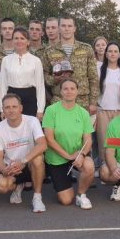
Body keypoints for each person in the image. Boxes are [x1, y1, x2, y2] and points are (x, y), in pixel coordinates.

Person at [42, 79, 96, 209]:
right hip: (57, 157)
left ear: (77, 91)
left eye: (72, 88)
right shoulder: (51, 110)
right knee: (66, 200)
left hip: (77, 155)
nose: (69, 91)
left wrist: (82, 154)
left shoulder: (83, 113)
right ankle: (62, 183)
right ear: (60, 92)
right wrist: (68, 156)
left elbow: (88, 139)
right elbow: (49, 139)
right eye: (65, 88)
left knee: (89, 166)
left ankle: (81, 195)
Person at [0, 93, 48, 213]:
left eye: (14, 107)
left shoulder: (32, 121)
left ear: (21, 108)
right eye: (7, 107)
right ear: (3, 110)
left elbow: (43, 144)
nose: (11, 110)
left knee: (38, 158)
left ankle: (37, 197)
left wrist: (23, 161)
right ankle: (17, 186)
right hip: (12, 168)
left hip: (29, 163)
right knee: (1, 185)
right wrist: (4, 169)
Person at [41, 16, 100, 113]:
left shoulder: (86, 49)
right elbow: (44, 75)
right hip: (59, 101)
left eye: (69, 26)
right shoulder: (50, 51)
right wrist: (55, 79)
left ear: (74, 28)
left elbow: (93, 77)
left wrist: (93, 102)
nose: (66, 29)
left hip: (82, 101)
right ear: (59, 28)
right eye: (63, 26)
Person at [0, 27, 46, 119]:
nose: (19, 41)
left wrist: (40, 109)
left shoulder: (36, 61)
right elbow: (2, 86)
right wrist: (2, 108)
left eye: (22, 38)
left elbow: (40, 87)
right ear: (12, 41)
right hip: (11, 100)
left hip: (30, 100)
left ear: (28, 42)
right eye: (16, 38)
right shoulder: (6, 60)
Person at [96, 42, 120, 166]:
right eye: (110, 51)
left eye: (115, 51)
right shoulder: (98, 70)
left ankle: (118, 167)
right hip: (103, 110)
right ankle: (105, 167)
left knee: (118, 141)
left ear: (119, 54)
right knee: (104, 141)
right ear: (106, 54)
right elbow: (95, 90)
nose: (112, 54)